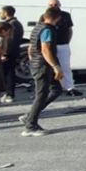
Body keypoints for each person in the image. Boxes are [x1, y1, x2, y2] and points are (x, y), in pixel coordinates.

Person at [20, 7, 64, 136]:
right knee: (41, 95)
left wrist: (32, 59)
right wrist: (56, 66)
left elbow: (31, 47)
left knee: (56, 90)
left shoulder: (38, 27)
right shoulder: (48, 30)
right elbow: (46, 50)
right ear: (58, 18)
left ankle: (29, 116)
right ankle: (30, 126)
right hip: (43, 66)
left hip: (37, 63)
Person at [48, 0, 82, 97]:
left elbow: (69, 29)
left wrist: (67, 41)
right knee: (48, 67)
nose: (53, 6)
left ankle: (69, 88)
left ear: (59, 5)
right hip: (50, 45)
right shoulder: (44, 15)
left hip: (62, 44)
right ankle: (50, 88)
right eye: (51, 5)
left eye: (55, 4)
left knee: (65, 67)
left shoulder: (65, 15)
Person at [0, 5, 25, 103]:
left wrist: (4, 53)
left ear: (6, 13)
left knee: (9, 74)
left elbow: (11, 41)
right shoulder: (13, 23)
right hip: (8, 52)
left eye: (0, 12)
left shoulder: (12, 24)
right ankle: (5, 93)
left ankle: (10, 94)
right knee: (5, 73)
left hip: (9, 52)